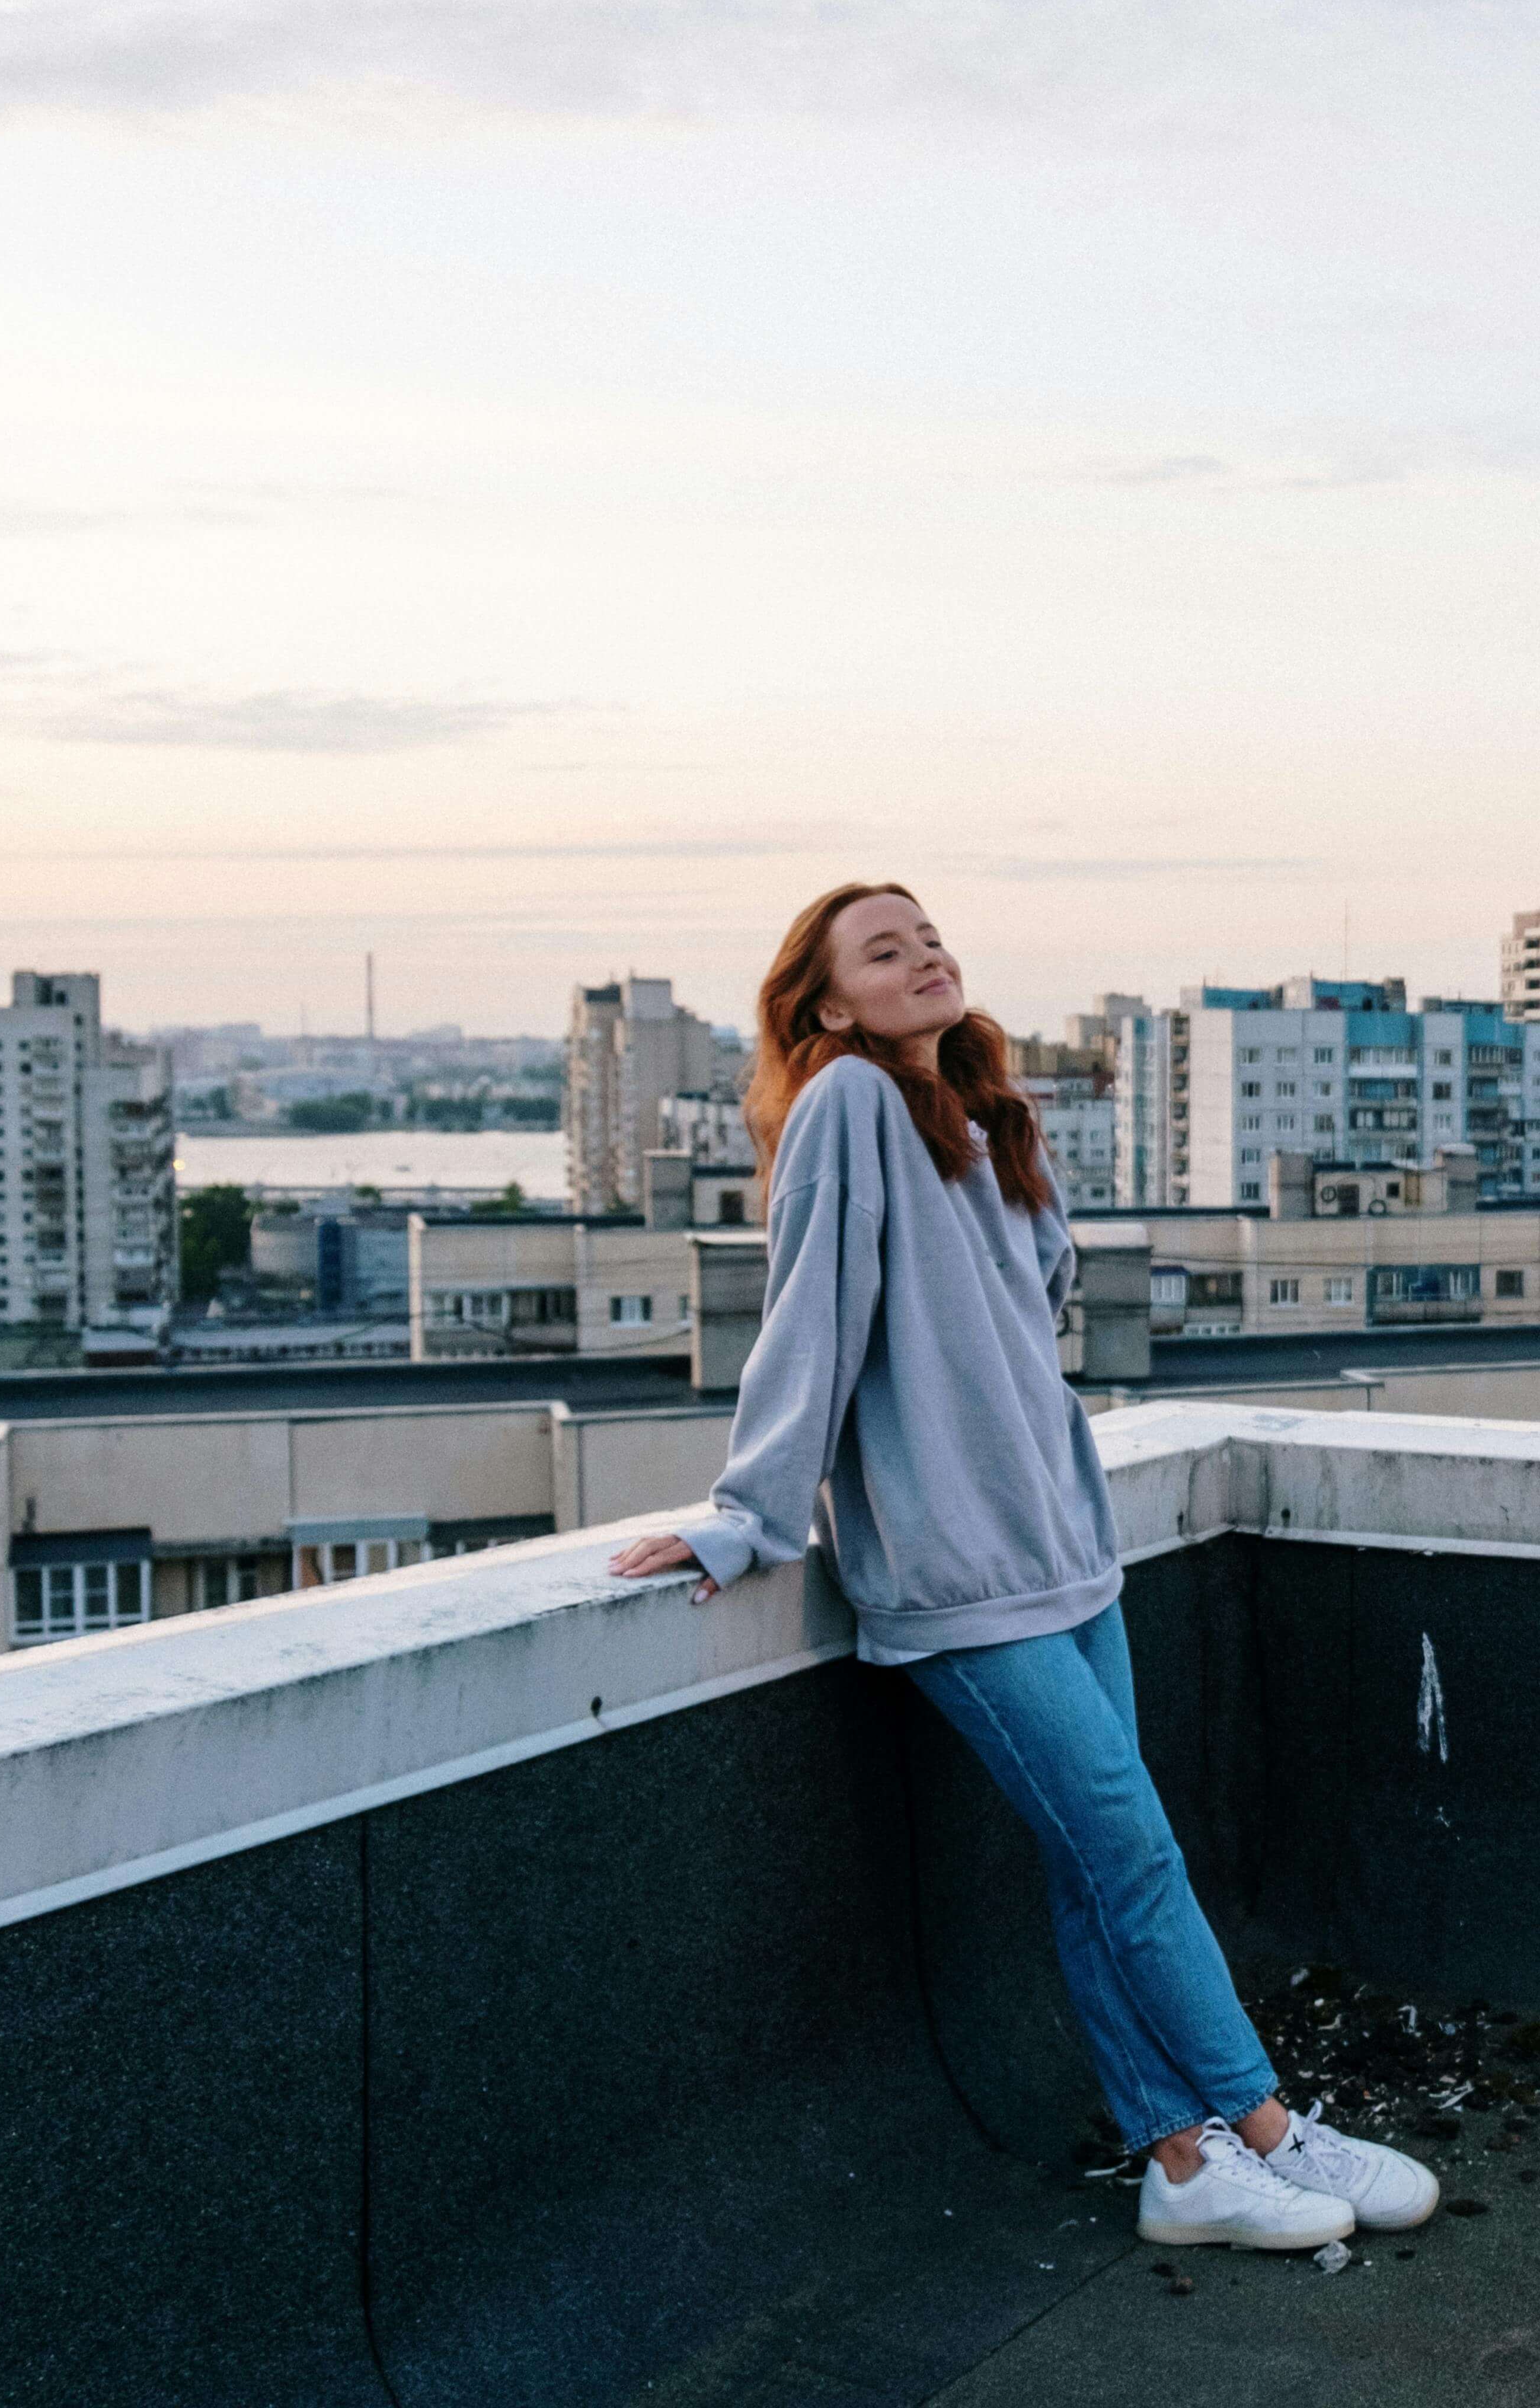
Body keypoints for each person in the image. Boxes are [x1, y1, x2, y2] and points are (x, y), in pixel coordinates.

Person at [605, 881, 1436, 2255]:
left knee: (1092, 1866)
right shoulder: (848, 1108)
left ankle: (1183, 2168)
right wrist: (745, 1517)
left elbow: (1032, 1312)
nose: (922, 956)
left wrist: (1010, 1141)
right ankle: (1276, 2128)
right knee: (1136, 1850)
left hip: (1061, 1548)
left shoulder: (968, 1117)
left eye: (927, 935)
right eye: (883, 950)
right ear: (825, 1005)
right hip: (952, 1579)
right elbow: (807, 1321)